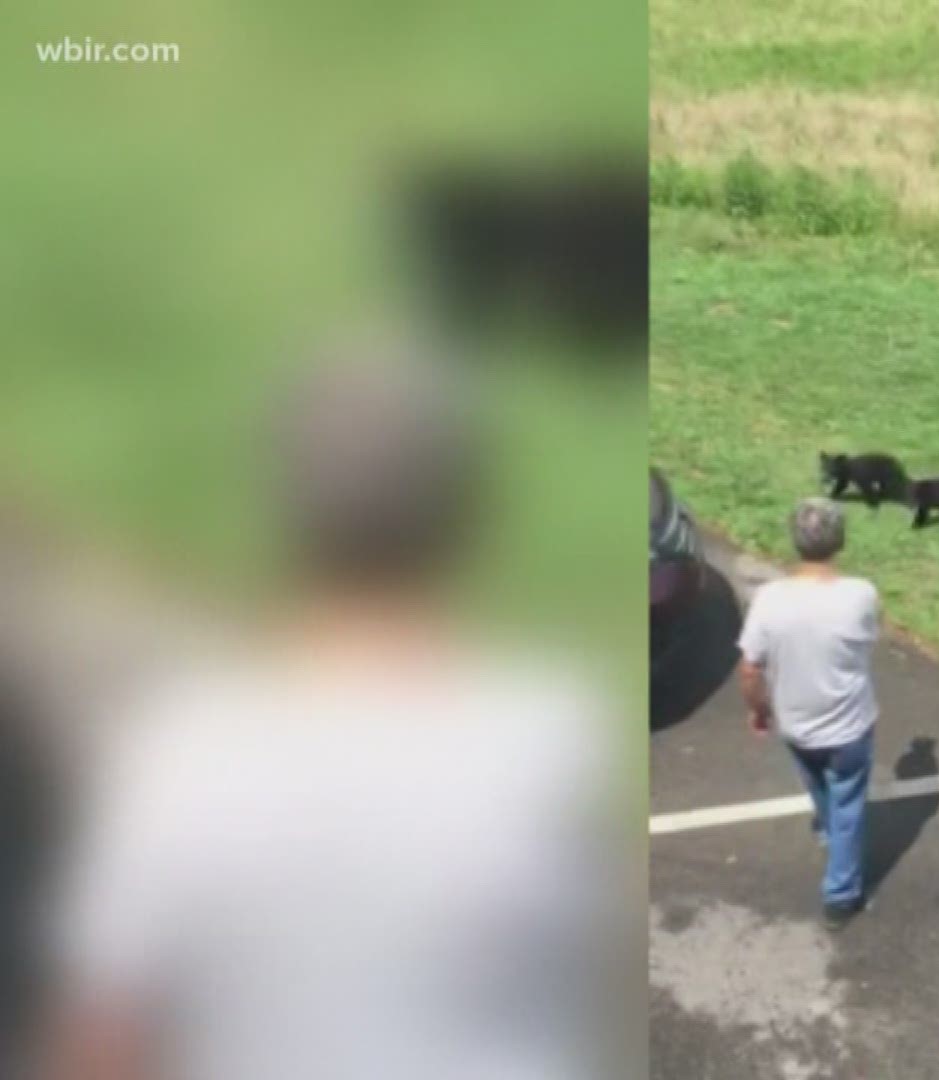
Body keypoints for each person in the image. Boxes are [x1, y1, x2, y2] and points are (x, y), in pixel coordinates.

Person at [38, 343, 637, 1079]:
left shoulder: (179, 751)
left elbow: (105, 1039)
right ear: (464, 511)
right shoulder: (551, 742)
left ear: (285, 511)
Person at [735, 497, 879, 930]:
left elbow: (749, 667)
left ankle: (828, 833)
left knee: (817, 783)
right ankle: (840, 894)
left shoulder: (769, 599)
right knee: (849, 800)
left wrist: (759, 709)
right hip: (851, 725)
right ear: (840, 540)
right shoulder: (861, 594)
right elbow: (869, 639)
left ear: (795, 541)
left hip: (797, 723)